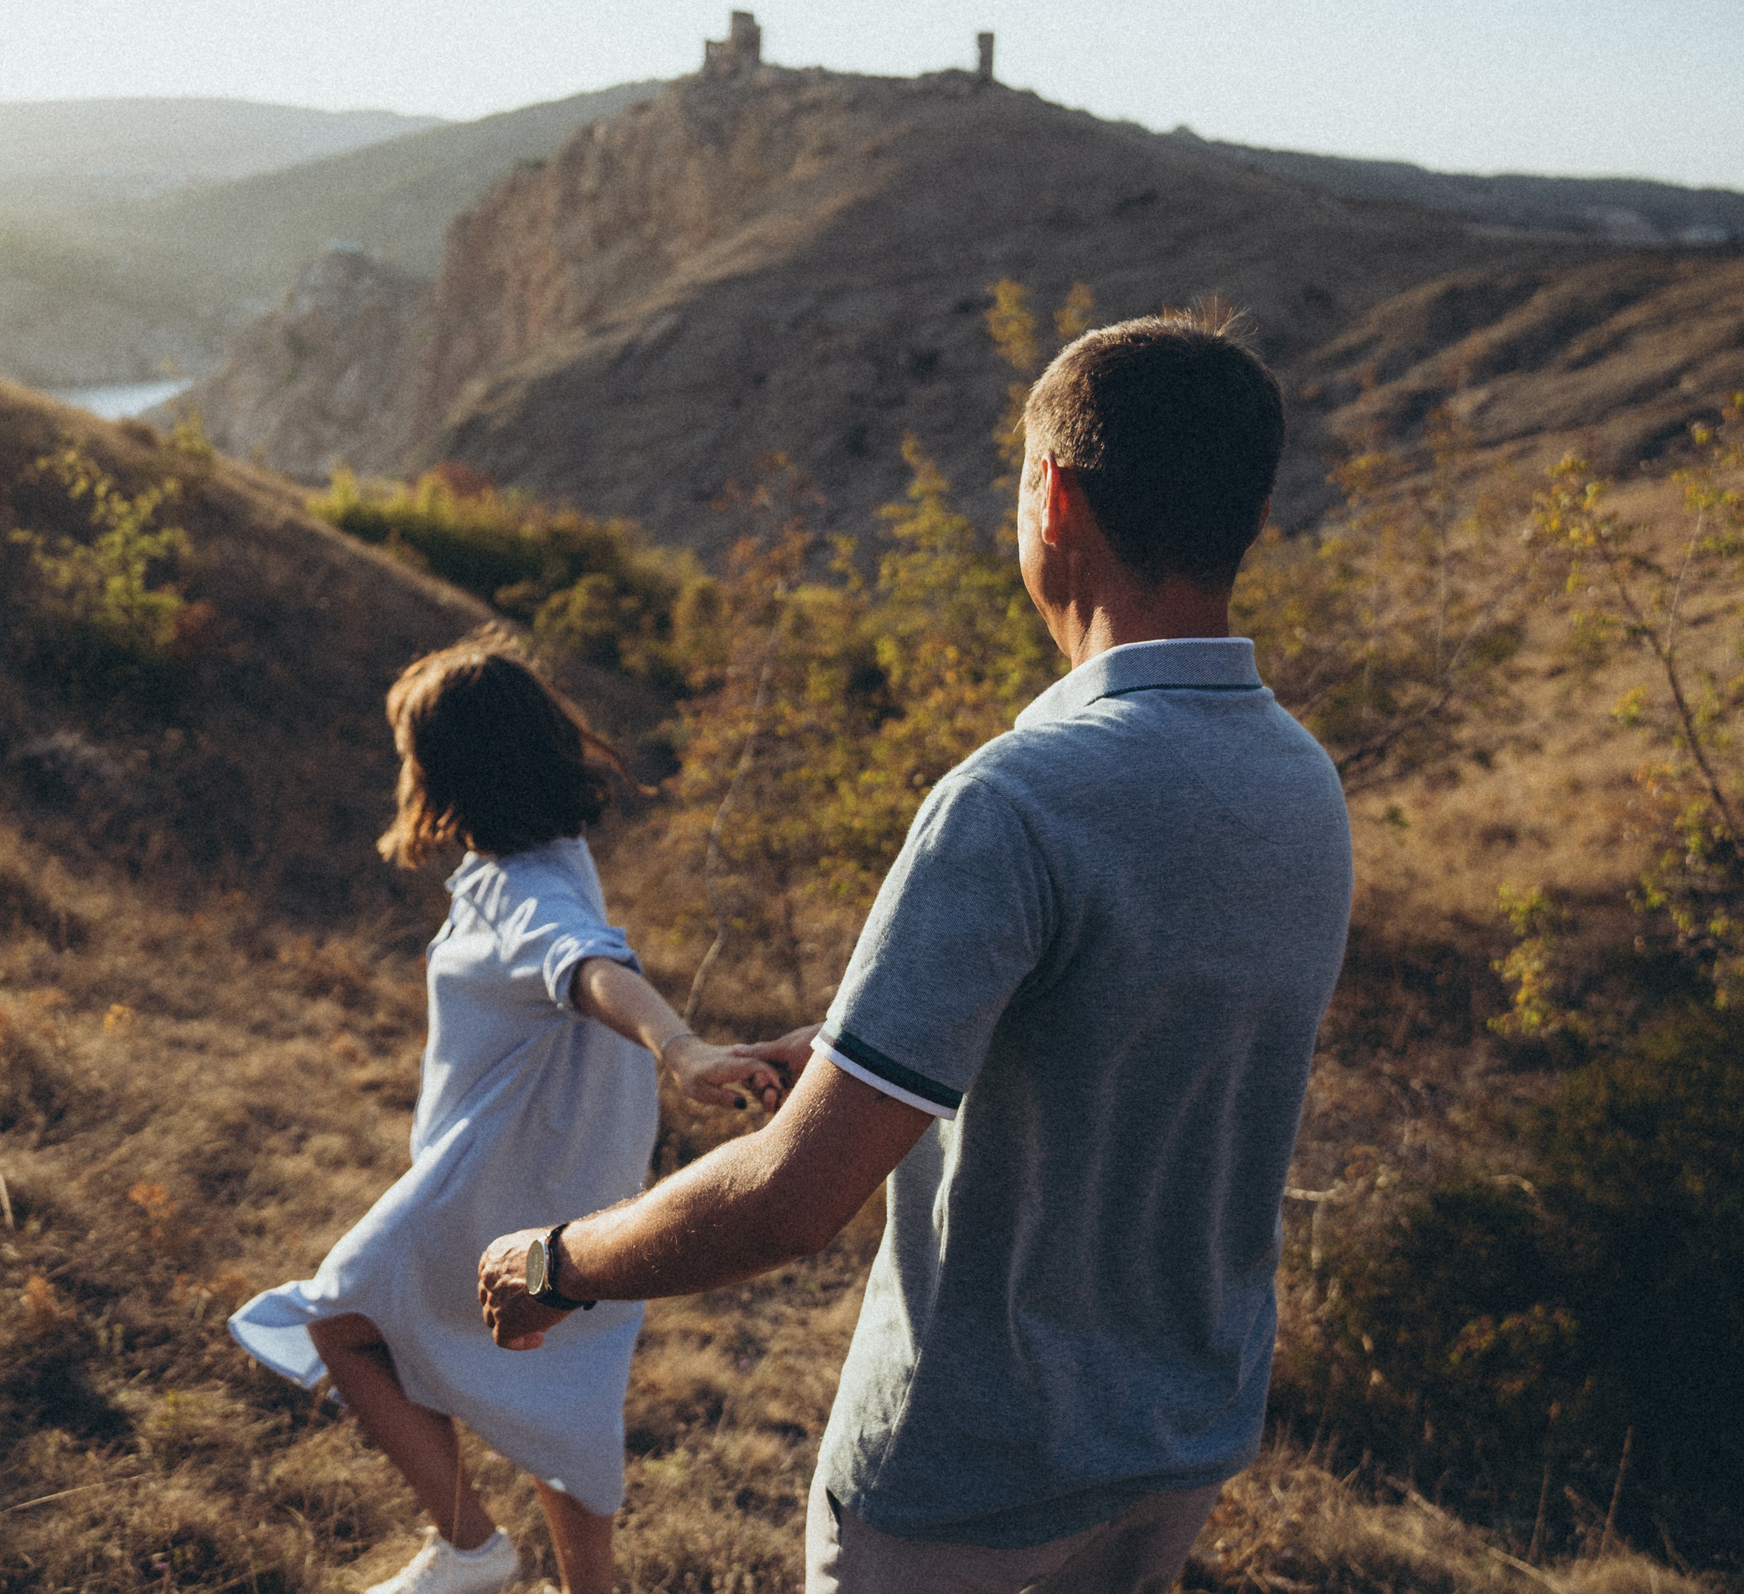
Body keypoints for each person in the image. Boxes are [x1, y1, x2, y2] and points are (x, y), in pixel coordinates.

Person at [477, 312, 1355, 1594]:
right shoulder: (1301, 780)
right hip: (1174, 1451)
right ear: (1249, 516)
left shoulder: (1019, 799)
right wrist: (872, 1049)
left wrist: (557, 1262)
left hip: (966, 1484)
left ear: (1050, 498)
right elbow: (1138, 1043)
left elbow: (790, 1200)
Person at [231, 631, 779, 1594]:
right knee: (554, 1387)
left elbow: (591, 966)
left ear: (445, 772)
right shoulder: (554, 857)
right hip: (580, 1192)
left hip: (489, 1188)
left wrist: (682, 1048)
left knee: (343, 1318)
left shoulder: (519, 894)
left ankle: (469, 1545)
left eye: (409, 751)